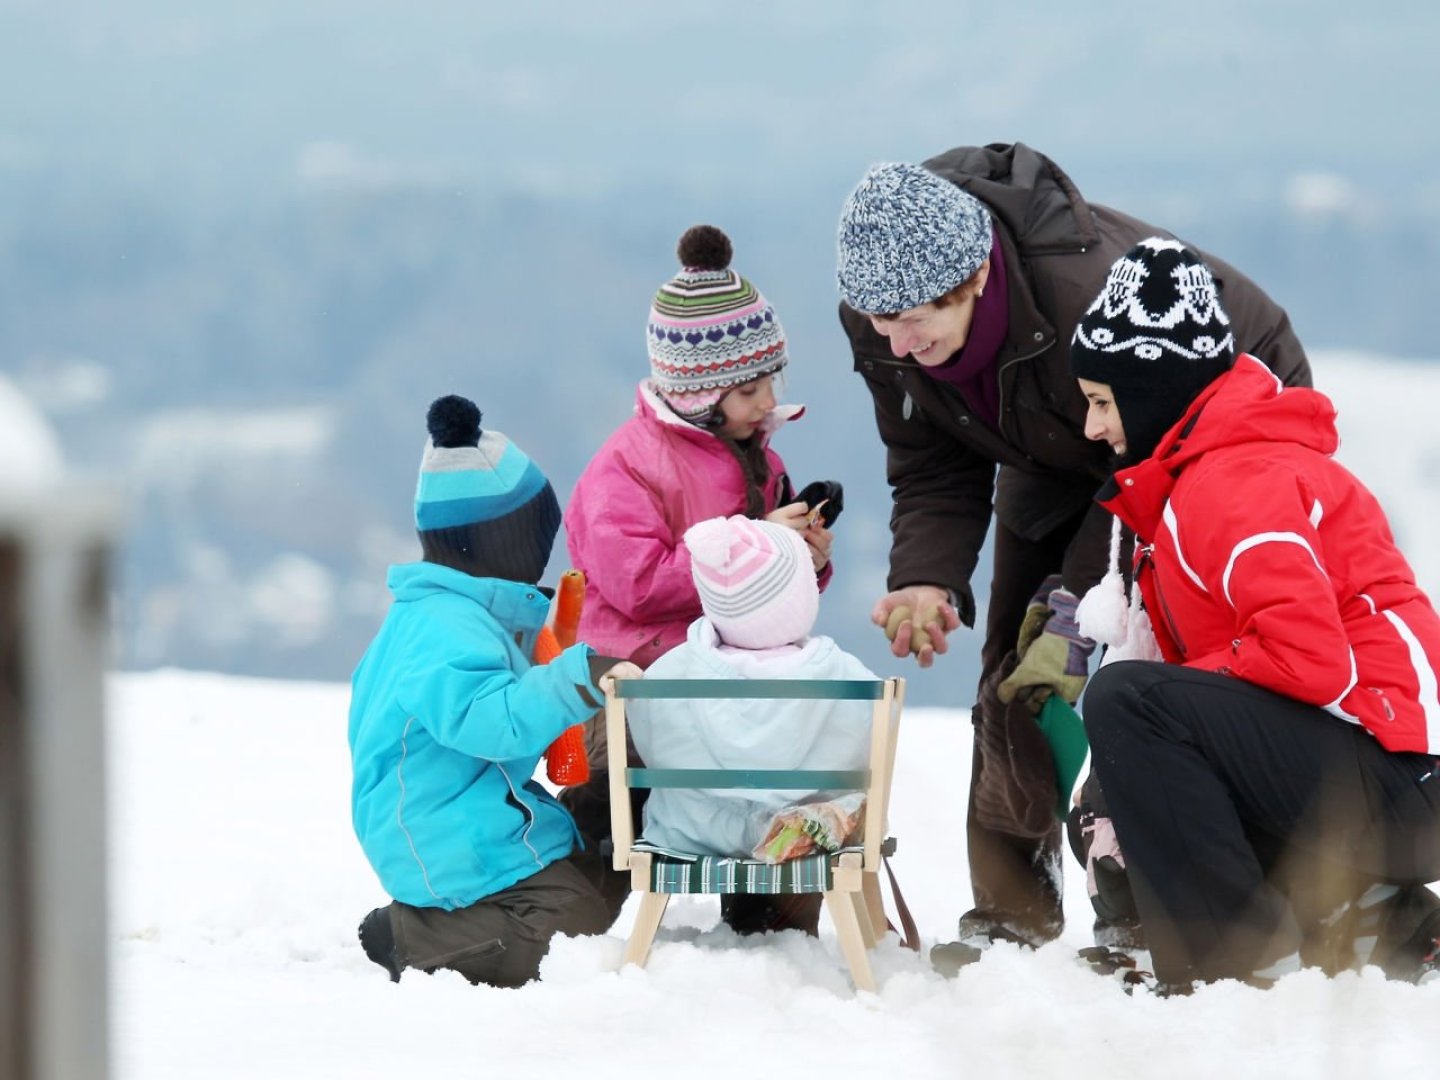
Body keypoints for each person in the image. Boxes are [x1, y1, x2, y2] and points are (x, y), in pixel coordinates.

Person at [833, 142, 1313, 953]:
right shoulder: (882, 312)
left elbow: (1142, 466)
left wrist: (1078, 607)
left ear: (975, 279)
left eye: (916, 323)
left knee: (1116, 663)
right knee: (1014, 673)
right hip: (1057, 439)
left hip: (1198, 427)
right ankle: (1010, 914)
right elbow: (932, 458)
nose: (899, 345)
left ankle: (1153, 910)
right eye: (884, 326)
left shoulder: (1076, 295)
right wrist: (926, 578)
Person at [1070, 236, 1440, 990]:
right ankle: (1376, 921)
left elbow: (1309, 661)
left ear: (1150, 395)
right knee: (1144, 741)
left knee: (1132, 705)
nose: (1093, 428)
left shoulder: (1232, 485)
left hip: (1403, 783)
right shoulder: (1215, 474)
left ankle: (1235, 964)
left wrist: (1157, 707)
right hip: (1390, 779)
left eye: (1102, 403)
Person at [563, 224, 838, 932]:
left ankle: (773, 931)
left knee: (769, 785)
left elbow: (769, 601)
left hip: (732, 680)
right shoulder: (623, 467)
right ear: (695, 391)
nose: (765, 401)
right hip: (635, 675)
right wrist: (756, 542)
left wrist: (803, 560)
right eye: (749, 388)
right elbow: (639, 586)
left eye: (770, 380)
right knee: (609, 799)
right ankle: (571, 929)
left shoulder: (759, 458)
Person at [348, 394, 640, 988]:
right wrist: (573, 679)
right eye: (538, 535)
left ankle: (598, 831)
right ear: (498, 541)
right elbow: (493, 722)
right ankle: (412, 936)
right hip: (443, 834)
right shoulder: (442, 631)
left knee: (606, 865)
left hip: (476, 815)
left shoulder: (461, 616)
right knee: (574, 927)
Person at [627, 514, 876, 862]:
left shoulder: (669, 673)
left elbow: (653, 751)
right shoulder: (842, 673)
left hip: (688, 837)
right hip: (805, 845)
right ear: (799, 598)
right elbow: (866, 753)